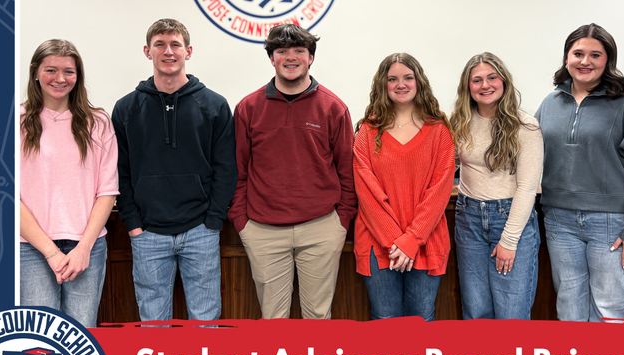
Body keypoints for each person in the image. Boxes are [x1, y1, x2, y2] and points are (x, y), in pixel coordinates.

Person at [535, 24, 624, 322]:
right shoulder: (550, 102)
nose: (585, 61)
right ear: (566, 57)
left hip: (612, 225)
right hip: (559, 220)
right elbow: (530, 155)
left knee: (610, 311)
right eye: (578, 53)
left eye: (596, 54)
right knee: (569, 309)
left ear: (609, 60)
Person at [112, 19, 236, 321]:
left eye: (175, 44)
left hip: (200, 231)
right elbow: (119, 171)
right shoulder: (126, 109)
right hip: (147, 233)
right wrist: (133, 224)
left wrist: (213, 220)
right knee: (154, 325)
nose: (168, 51)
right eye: (160, 44)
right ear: (147, 51)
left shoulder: (214, 105)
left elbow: (226, 168)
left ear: (188, 51)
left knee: (205, 324)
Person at [229, 24, 356, 320]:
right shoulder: (248, 108)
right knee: (273, 321)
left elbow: (347, 172)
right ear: (271, 58)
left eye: (299, 50)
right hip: (263, 230)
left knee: (318, 317)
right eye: (282, 51)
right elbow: (238, 170)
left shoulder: (333, 108)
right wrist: (242, 222)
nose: (291, 57)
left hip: (322, 227)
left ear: (310, 57)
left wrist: (341, 221)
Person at [20, 39, 117, 328]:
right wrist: (50, 251)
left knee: (82, 335)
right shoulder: (17, 121)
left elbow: (108, 190)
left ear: (78, 76)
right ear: (35, 72)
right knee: (39, 337)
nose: (60, 79)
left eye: (69, 72)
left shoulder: (97, 122)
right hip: (31, 248)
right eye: (51, 70)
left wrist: (84, 248)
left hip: (87, 246)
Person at [353, 53, 455, 321]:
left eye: (408, 78)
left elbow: (440, 190)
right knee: (385, 321)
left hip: (426, 242)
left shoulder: (438, 130)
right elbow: (367, 193)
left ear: (418, 82)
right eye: (393, 79)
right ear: (382, 85)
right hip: (378, 244)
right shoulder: (367, 131)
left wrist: (412, 240)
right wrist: (396, 243)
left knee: (421, 321)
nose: (401, 84)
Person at [450, 52, 543, 320]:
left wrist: (509, 240)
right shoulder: (460, 122)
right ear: (468, 86)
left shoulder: (525, 126)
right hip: (468, 220)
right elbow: (444, 163)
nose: (485, 85)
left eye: (492, 77)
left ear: (504, 81)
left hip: (510, 218)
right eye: (477, 80)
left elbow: (527, 188)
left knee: (511, 316)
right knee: (476, 312)